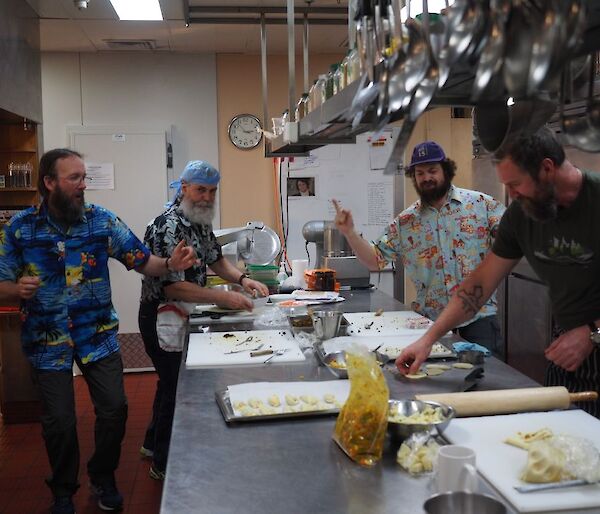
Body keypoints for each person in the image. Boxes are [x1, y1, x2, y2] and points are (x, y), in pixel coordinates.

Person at [0, 148, 197, 514]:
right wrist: (16, 289)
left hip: (97, 335)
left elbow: (143, 261)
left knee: (115, 409)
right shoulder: (21, 227)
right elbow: (1, 282)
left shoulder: (100, 221)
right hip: (47, 339)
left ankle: (103, 477)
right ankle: (62, 490)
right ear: (49, 182)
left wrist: (170, 262)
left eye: (84, 177)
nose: (83, 185)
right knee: (59, 421)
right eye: (74, 178)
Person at [396, 127, 600, 416]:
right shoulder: (522, 215)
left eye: (516, 184)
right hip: (566, 347)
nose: (512, 195)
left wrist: (591, 332)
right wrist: (428, 340)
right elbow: (478, 284)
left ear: (547, 168)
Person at [138, 160, 269, 481]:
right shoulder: (166, 227)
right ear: (183, 188)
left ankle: (151, 444)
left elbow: (217, 259)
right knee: (175, 388)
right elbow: (173, 285)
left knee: (169, 382)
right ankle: (164, 465)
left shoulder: (200, 222)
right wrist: (224, 298)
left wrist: (243, 280)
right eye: (200, 190)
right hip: (162, 315)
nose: (207, 197)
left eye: (212, 191)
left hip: (186, 312)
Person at [333, 140, 506, 355]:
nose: (426, 178)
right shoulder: (405, 222)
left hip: (479, 319)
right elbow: (375, 260)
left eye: (432, 171)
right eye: (419, 173)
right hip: (431, 323)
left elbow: (513, 236)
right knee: (438, 384)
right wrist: (350, 232)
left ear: (446, 171)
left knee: (488, 383)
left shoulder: (481, 205)